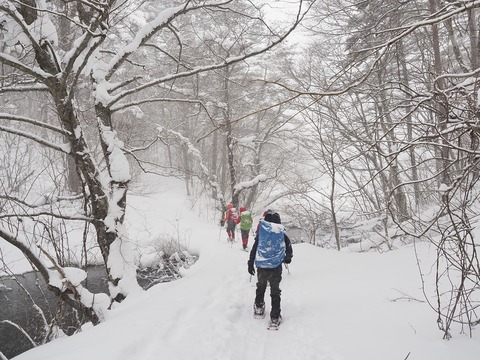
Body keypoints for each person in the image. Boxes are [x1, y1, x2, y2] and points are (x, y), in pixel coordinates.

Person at [247, 210, 292, 327]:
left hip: (262, 265)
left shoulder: (262, 234)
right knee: (275, 291)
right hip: (276, 267)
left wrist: (250, 263)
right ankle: (275, 317)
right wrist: (287, 258)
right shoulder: (281, 233)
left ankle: (259, 307)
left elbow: (254, 248)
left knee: (261, 286)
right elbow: (288, 246)